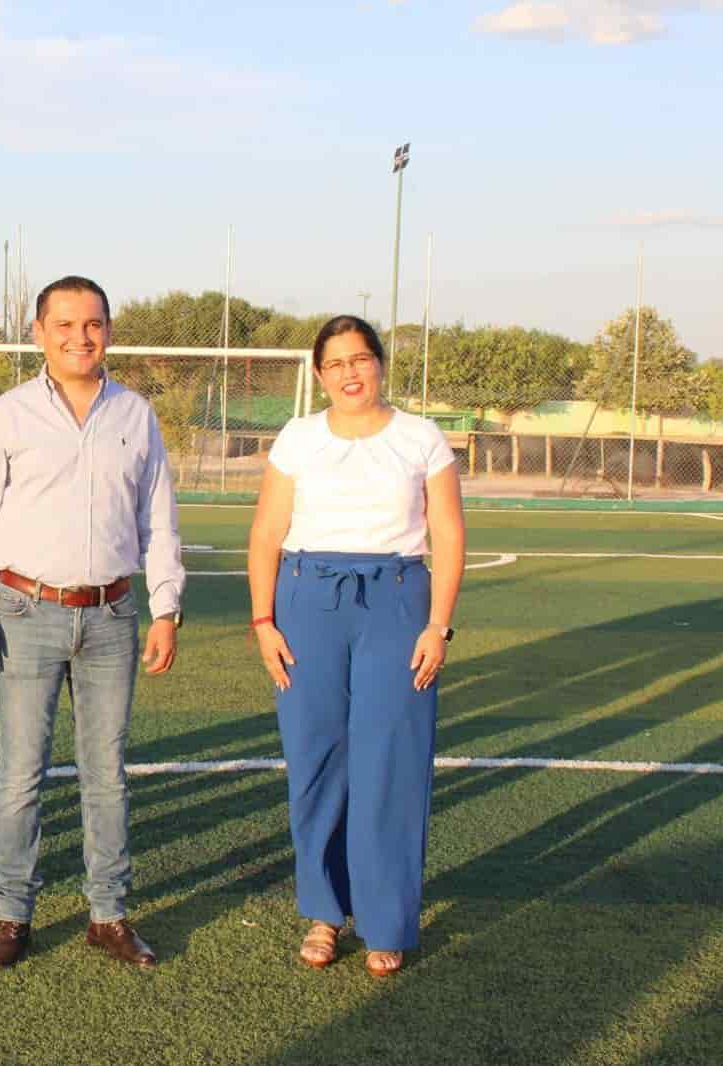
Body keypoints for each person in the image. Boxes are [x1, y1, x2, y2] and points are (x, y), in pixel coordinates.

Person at [0, 275, 185, 970]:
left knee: (106, 776)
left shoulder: (135, 414)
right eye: (66, 325)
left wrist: (165, 606)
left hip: (112, 614)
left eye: (94, 324)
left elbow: (159, 520)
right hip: (26, 612)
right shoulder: (10, 414)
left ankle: (107, 915)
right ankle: (12, 914)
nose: (82, 337)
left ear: (108, 330)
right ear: (40, 333)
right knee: (21, 773)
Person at [247, 314, 465, 977]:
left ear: (379, 365)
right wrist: (263, 622)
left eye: (361, 358)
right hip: (308, 601)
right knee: (317, 758)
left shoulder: (420, 437)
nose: (350, 372)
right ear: (319, 375)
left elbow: (449, 535)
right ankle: (323, 911)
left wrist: (438, 624)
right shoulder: (299, 438)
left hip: (397, 604)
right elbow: (265, 533)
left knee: (390, 761)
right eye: (336, 362)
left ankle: (386, 920)